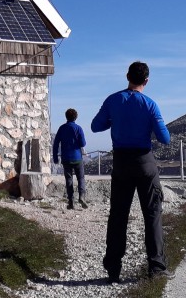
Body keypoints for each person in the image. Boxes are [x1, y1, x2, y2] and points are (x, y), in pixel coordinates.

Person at [91, 61, 171, 282]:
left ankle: (113, 268)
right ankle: (156, 268)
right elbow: (165, 138)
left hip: (121, 163)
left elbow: (96, 126)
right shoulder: (150, 104)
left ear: (127, 76)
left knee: (118, 216)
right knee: (152, 214)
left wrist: (115, 119)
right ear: (146, 81)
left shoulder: (113, 100)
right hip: (145, 163)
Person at [52, 108, 87, 210]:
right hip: (77, 158)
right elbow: (83, 143)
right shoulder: (78, 128)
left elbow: (55, 144)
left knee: (69, 179)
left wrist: (55, 157)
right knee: (81, 178)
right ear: (76, 117)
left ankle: (71, 202)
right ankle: (81, 196)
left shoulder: (61, 128)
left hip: (66, 158)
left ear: (66, 116)